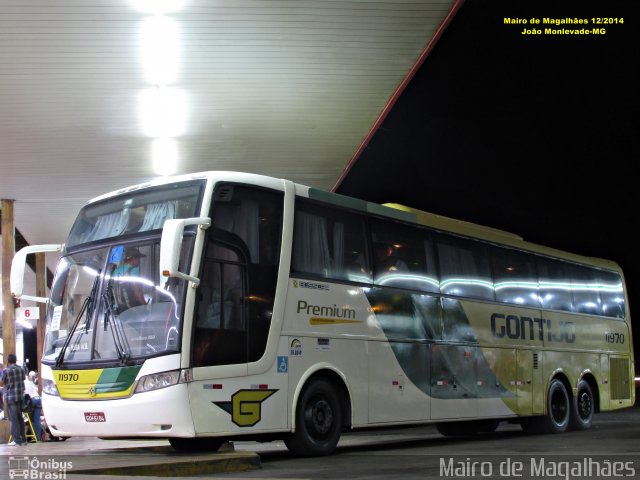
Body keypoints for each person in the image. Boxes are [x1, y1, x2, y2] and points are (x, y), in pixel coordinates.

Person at [0, 354, 27, 446]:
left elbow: (1, 382)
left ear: (8, 360)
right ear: (15, 360)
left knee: (14, 419)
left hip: (11, 397)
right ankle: (23, 439)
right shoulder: (21, 369)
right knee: (20, 418)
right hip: (20, 397)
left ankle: (17, 440)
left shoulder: (6, 370)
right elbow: (23, 379)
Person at [112, 247, 148, 311]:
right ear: (133, 258)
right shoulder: (133, 269)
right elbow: (136, 289)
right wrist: (145, 305)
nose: (139, 261)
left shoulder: (116, 271)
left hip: (119, 309)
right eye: (138, 258)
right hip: (132, 309)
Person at [24, 371, 42, 442]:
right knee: (37, 420)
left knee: (29, 420)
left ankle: (26, 437)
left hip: (31, 400)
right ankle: (38, 439)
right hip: (38, 398)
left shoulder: (22, 382)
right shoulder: (30, 382)